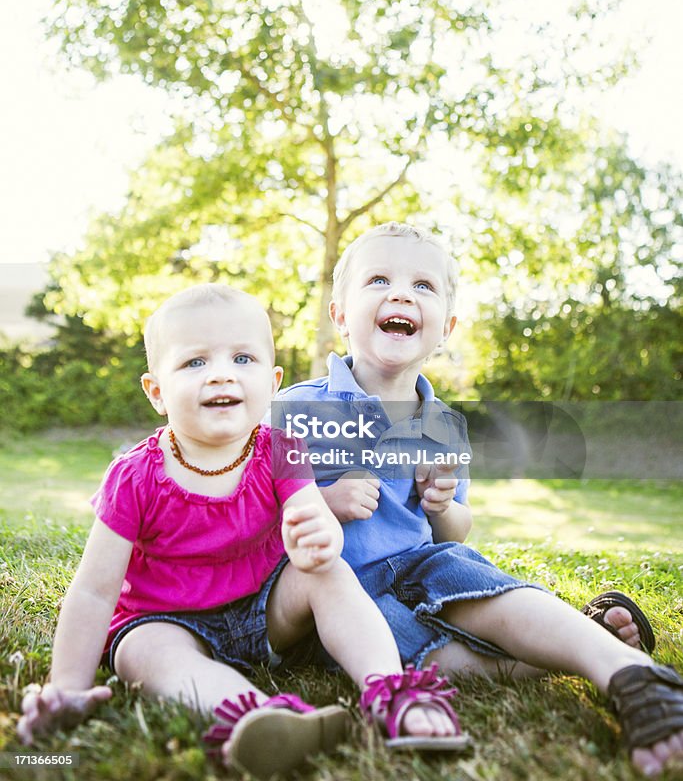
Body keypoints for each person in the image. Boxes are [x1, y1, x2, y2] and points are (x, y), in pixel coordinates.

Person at [276, 222, 683, 777]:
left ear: (445, 326)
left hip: (425, 564)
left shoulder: (443, 424)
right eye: (378, 279)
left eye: (422, 285)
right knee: (432, 658)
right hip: (346, 595)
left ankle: (628, 672)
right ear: (340, 315)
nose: (400, 294)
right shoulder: (297, 407)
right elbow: (257, 509)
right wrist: (325, 498)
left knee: (479, 585)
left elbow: (455, 532)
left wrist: (441, 503)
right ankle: (575, 641)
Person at [17, 283, 471, 779]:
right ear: (156, 392)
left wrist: (316, 536)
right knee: (143, 654)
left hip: (264, 611)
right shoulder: (135, 476)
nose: (220, 375)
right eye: (194, 363)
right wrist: (67, 685)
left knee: (328, 572)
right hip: (167, 621)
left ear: (272, 382)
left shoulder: (282, 449)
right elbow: (93, 591)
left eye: (242, 358)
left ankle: (390, 689)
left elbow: (319, 529)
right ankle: (261, 715)